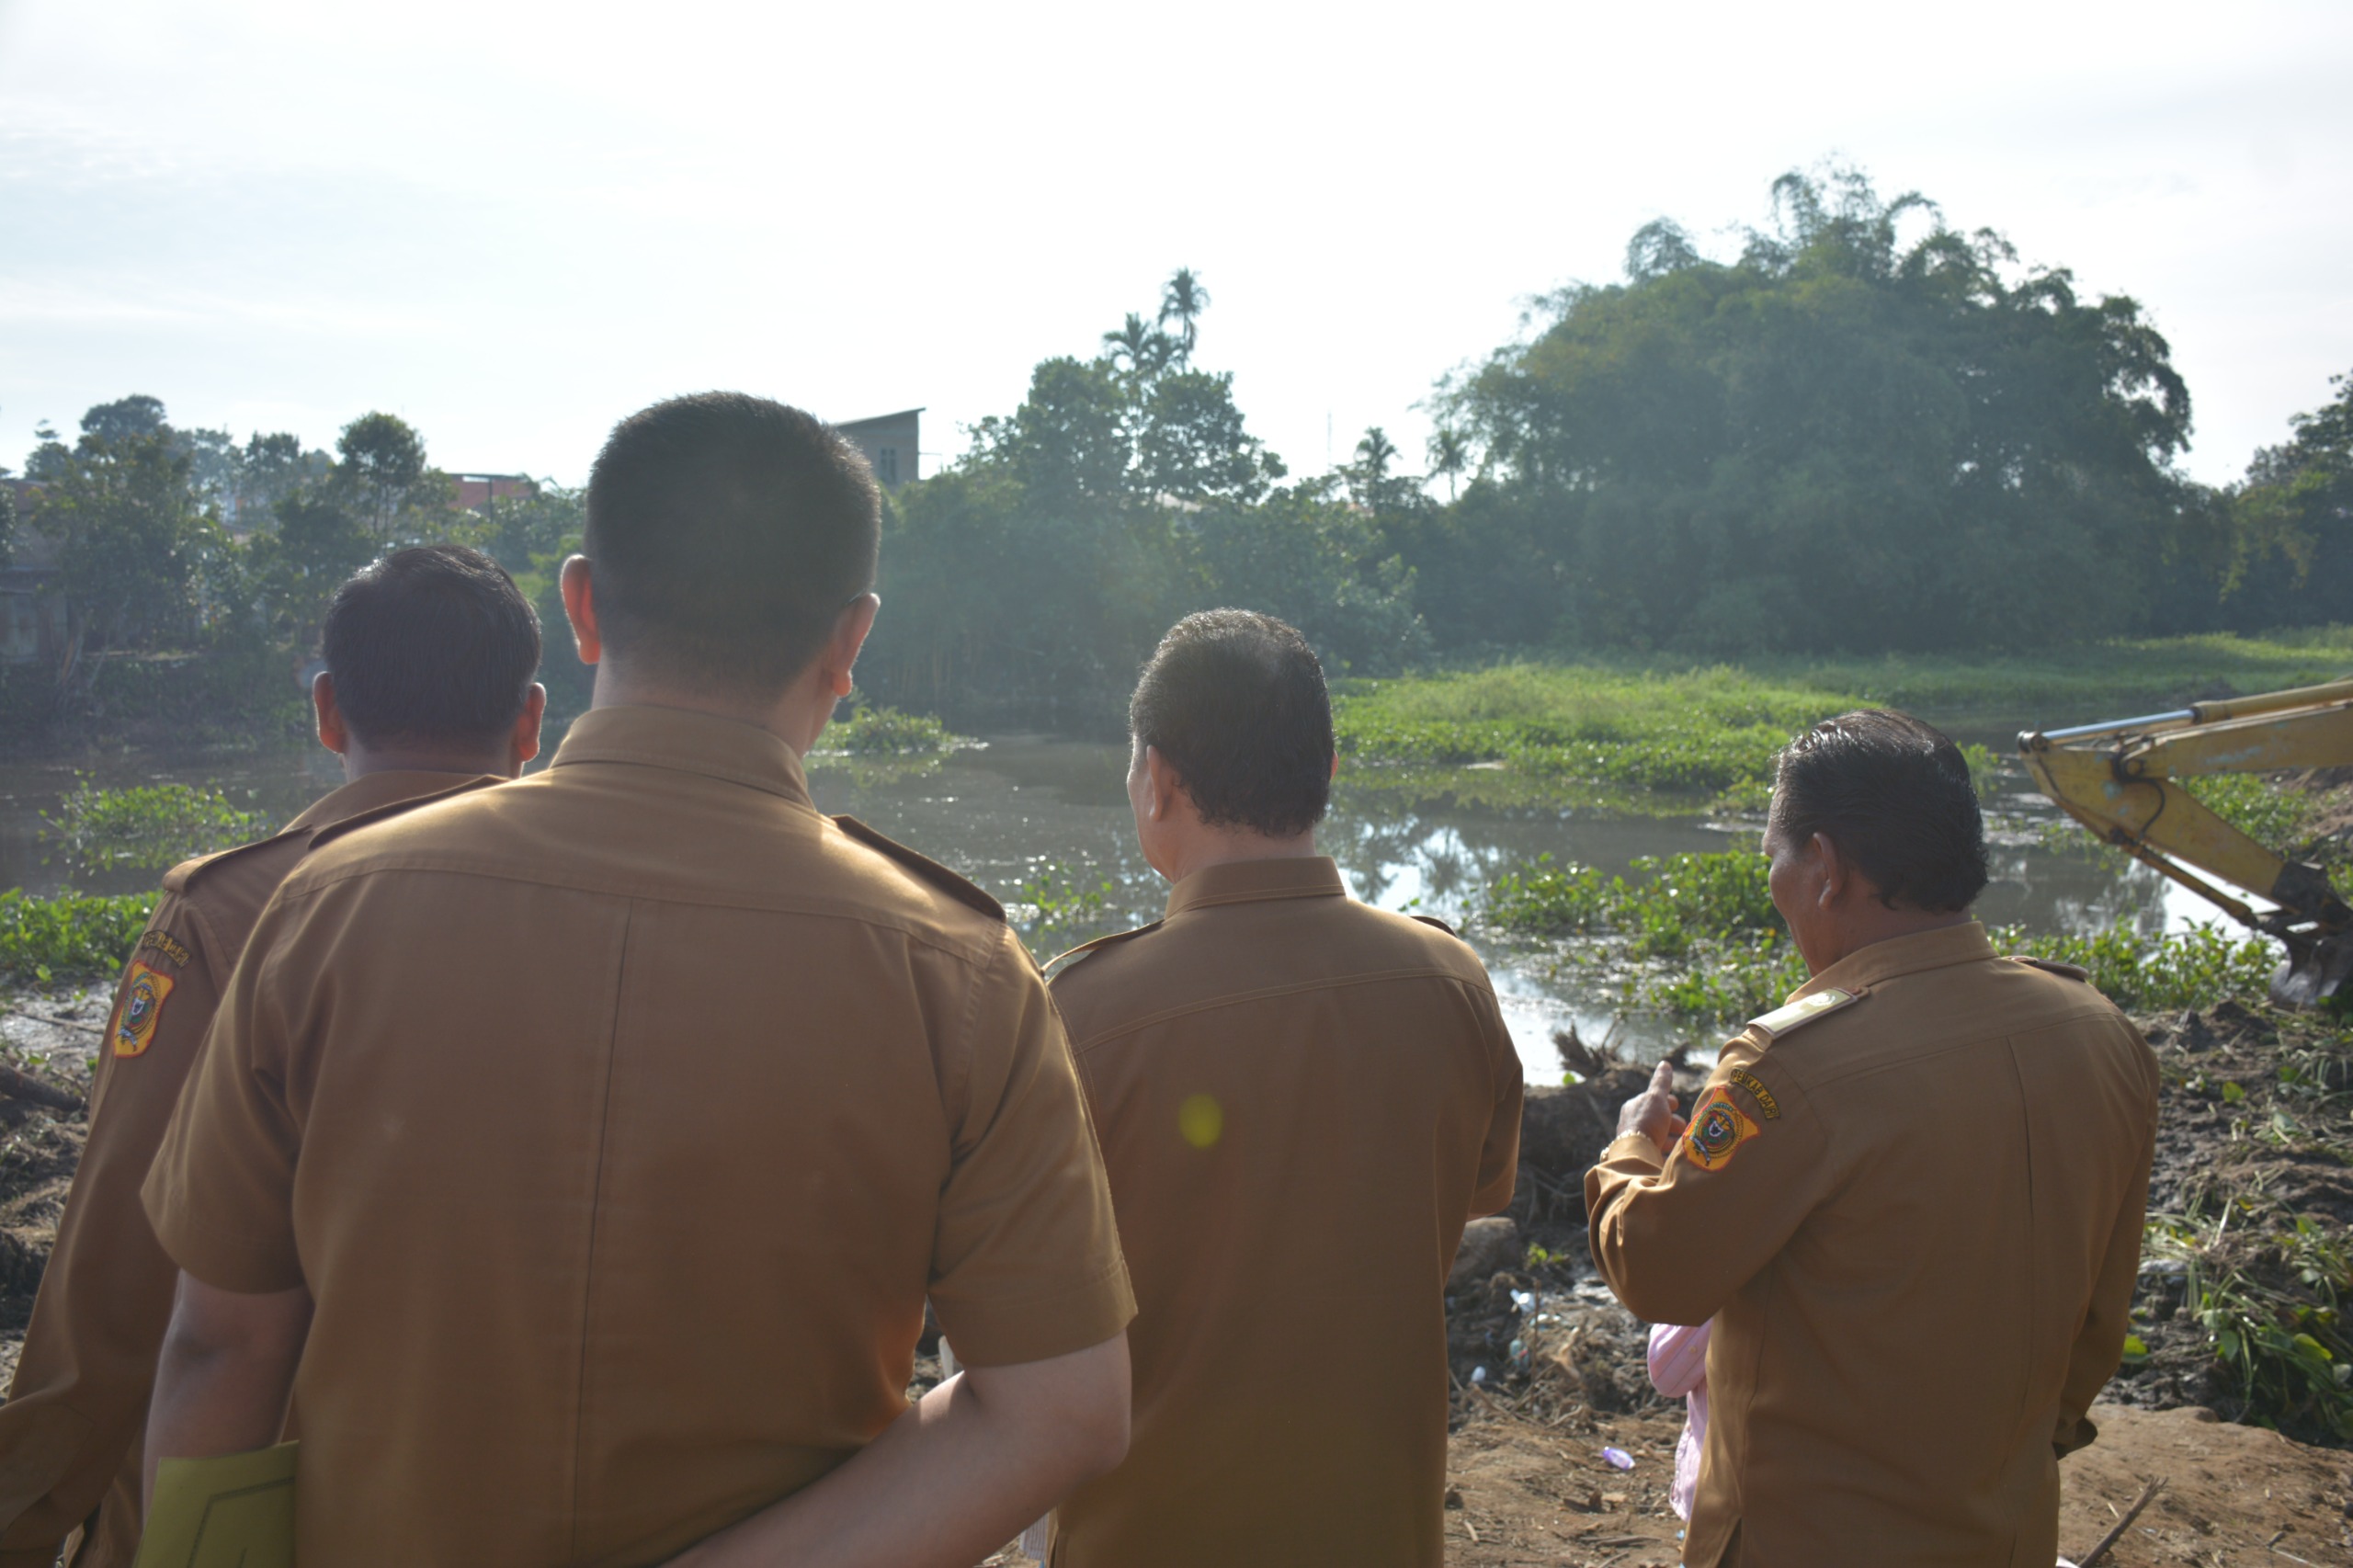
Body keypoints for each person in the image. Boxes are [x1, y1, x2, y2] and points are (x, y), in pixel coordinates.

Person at [138, 393, 1135, 1568]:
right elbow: (1058, 1407)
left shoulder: (327, 906)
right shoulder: (956, 970)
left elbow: (221, 1345)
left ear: (580, 605)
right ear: (851, 640)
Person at [0, 542, 546, 1568]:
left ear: (327, 710)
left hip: (252, 1493)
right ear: (530, 721)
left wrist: (24, 1516)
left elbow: (118, 1267)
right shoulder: (603, 911)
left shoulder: (229, 912)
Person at [1586, 710, 2159, 1567]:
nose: (1773, 883)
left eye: (1774, 857)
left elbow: (1659, 1271)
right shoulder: (2104, 1035)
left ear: (1824, 868)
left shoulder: (1793, 1067)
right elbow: (2099, 1323)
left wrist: (1632, 1150)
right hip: (2003, 1533)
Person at [1042, 609, 1524, 1568]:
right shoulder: (1451, 982)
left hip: (1150, 1536)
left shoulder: (1081, 1012)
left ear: (1159, 779)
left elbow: (1023, 1282)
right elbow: (1478, 1190)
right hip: (1377, 1531)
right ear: (1328, 771)